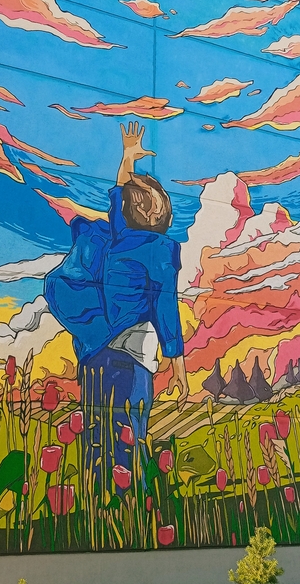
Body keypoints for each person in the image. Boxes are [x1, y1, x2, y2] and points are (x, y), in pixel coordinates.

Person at [44, 121, 188, 490]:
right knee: (129, 437)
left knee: (97, 436)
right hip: (130, 358)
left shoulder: (118, 237)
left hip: (95, 355)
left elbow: (120, 198)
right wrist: (178, 364)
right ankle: (129, 504)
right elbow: (166, 308)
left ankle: (97, 501)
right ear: (157, 216)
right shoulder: (159, 250)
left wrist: (127, 158)